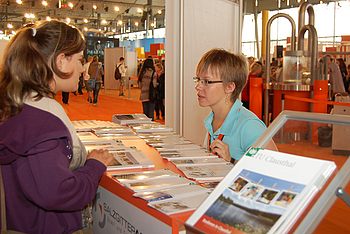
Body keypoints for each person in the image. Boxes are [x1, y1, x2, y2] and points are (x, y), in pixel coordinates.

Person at [0, 20, 114, 233]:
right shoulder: (42, 123)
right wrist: (94, 166)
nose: (82, 68)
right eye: (79, 60)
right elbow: (58, 192)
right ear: (61, 61)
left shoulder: (19, 105)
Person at [194, 49, 266, 163]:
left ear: (229, 87)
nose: (198, 86)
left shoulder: (249, 126)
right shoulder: (212, 120)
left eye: (207, 81)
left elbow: (273, 172)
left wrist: (231, 161)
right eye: (198, 80)